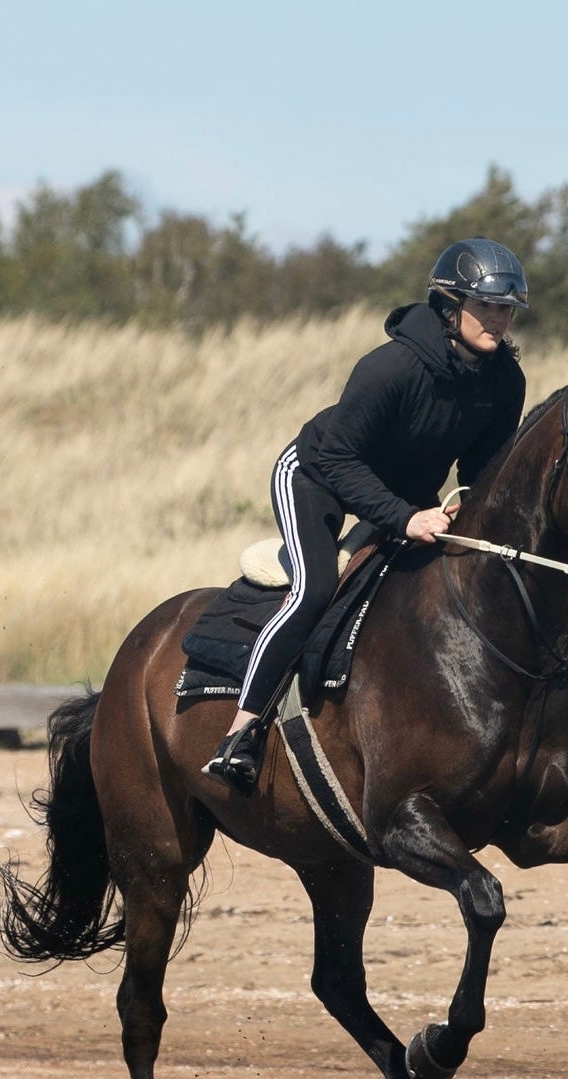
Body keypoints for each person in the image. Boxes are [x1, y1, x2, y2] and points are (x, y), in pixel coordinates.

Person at [202, 236, 530, 792]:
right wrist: (405, 519)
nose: (498, 321)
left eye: (506, 309)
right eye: (486, 307)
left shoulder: (505, 382)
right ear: (451, 307)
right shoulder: (391, 368)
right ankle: (242, 730)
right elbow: (335, 457)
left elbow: (479, 471)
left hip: (403, 499)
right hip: (316, 476)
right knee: (314, 589)